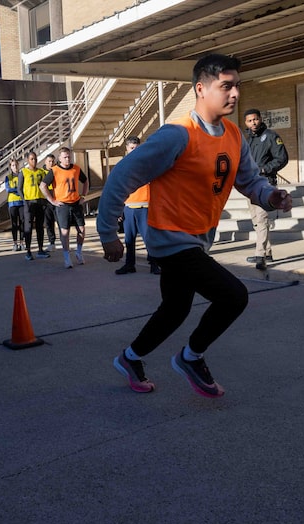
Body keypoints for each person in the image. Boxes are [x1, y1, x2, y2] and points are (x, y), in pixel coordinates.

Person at [97, 53, 292, 396]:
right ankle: (191, 356)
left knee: (175, 308)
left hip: (198, 237)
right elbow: (121, 177)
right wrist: (108, 233)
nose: (234, 94)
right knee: (233, 296)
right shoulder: (177, 135)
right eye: (226, 86)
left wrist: (269, 196)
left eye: (237, 86)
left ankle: (130, 358)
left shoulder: (233, 135)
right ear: (201, 89)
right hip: (170, 237)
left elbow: (248, 180)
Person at [243, 108, 289, 270]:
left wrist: (264, 169)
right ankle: (267, 252)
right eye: (250, 120)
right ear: (246, 123)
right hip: (250, 185)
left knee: (261, 219)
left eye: (255, 119)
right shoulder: (247, 139)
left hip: (265, 184)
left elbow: (282, 159)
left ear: (260, 119)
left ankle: (260, 255)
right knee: (256, 221)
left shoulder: (271, 137)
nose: (253, 123)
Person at [113, 136, 161, 276]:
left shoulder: (148, 164)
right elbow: (118, 189)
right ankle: (129, 265)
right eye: (132, 148)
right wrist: (119, 210)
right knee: (129, 239)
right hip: (128, 207)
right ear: (127, 149)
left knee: (148, 239)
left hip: (145, 206)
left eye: (137, 148)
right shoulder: (122, 166)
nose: (134, 150)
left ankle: (154, 264)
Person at [40, 147, 89, 268]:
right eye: (65, 157)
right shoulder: (54, 170)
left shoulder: (76, 168)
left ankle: (78, 252)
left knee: (81, 230)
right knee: (65, 232)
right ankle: (67, 257)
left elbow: (85, 181)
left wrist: (83, 195)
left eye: (69, 156)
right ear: (60, 158)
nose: (67, 159)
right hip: (63, 205)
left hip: (76, 203)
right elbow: (43, 185)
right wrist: (52, 200)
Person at [17, 151, 50, 261]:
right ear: (27, 160)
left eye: (35, 159)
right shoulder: (24, 172)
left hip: (40, 202)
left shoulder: (41, 172)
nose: (34, 161)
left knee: (40, 226)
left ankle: (40, 249)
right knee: (28, 227)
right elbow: (19, 188)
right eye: (31, 159)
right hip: (29, 202)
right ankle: (28, 251)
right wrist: (24, 201)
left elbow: (46, 185)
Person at [4, 158, 25, 252]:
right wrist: (18, 190)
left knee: (22, 222)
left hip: (21, 201)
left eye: (16, 165)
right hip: (12, 202)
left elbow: (24, 187)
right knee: (14, 223)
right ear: (10, 167)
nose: (15, 167)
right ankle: (15, 243)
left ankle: (22, 242)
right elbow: (8, 189)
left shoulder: (22, 175)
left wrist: (18, 190)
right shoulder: (8, 177)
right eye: (13, 165)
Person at [42, 154, 58, 251]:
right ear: (45, 162)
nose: (51, 163)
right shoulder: (41, 172)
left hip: (56, 197)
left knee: (60, 221)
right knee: (48, 222)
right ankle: (52, 242)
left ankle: (65, 240)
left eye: (52, 161)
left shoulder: (57, 171)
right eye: (49, 161)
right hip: (46, 199)